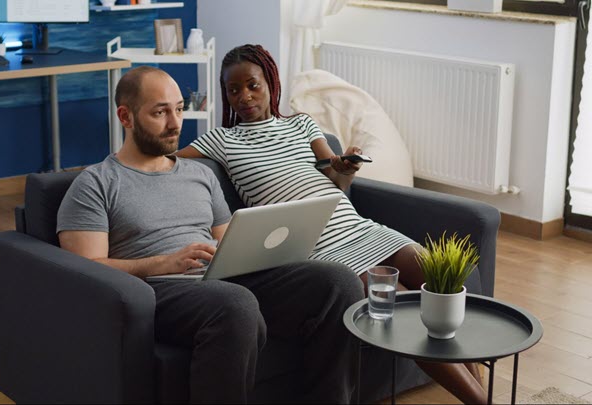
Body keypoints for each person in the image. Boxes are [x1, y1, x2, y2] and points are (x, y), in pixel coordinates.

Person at [176, 44, 487, 404]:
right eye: (233, 90)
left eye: (252, 85)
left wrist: (345, 168)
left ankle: (481, 390)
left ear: (271, 84)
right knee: (400, 308)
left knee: (444, 280)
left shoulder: (302, 123)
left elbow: (334, 174)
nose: (244, 97)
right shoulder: (222, 139)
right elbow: (167, 162)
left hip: (358, 228)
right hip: (316, 249)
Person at [56, 66, 364, 404]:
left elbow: (231, 240)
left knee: (338, 282)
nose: (175, 123)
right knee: (236, 305)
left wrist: (273, 251)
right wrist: (161, 263)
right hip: (158, 289)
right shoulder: (96, 183)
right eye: (160, 112)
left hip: (220, 281)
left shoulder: (199, 174)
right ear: (125, 116)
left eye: (178, 109)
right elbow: (84, 270)